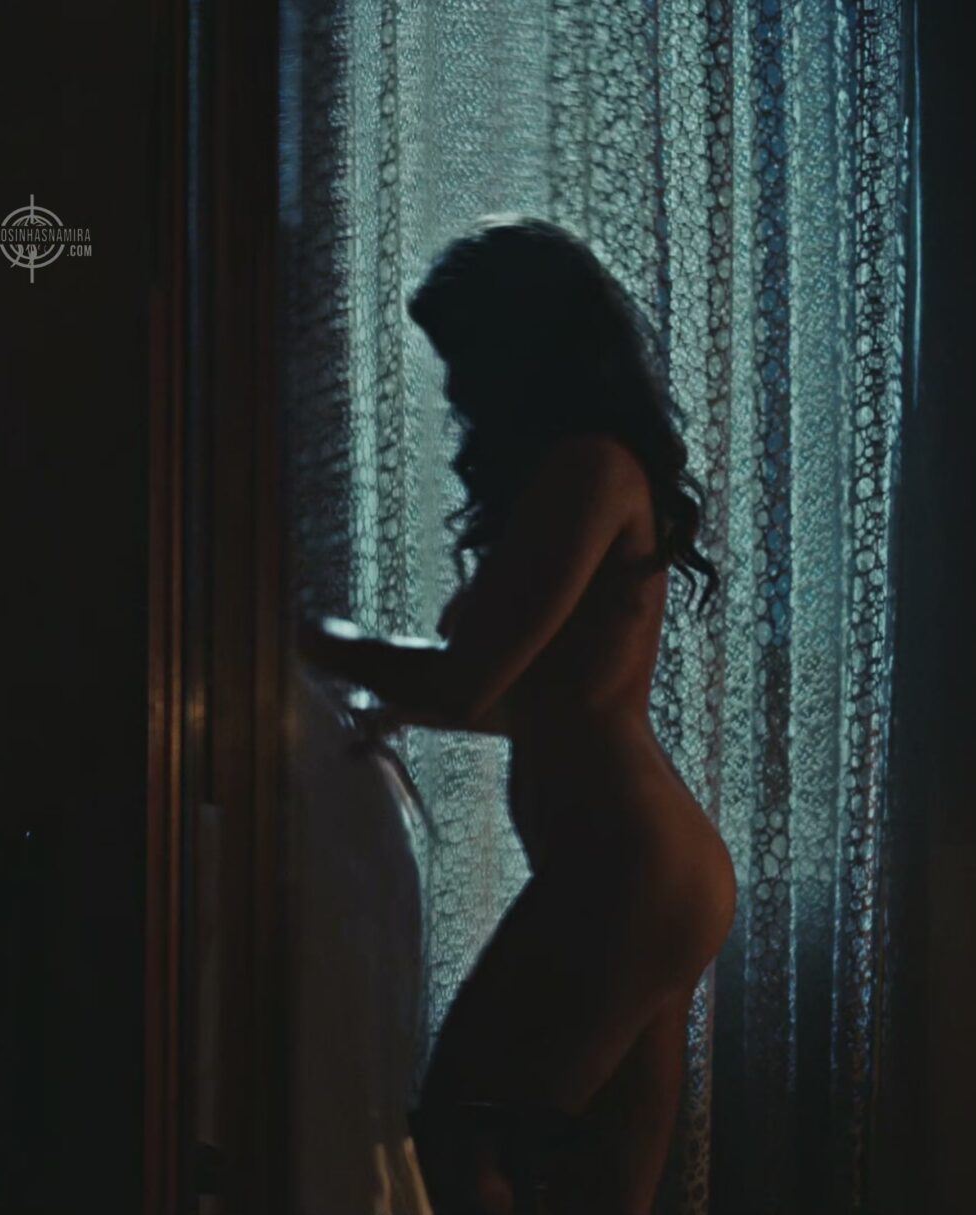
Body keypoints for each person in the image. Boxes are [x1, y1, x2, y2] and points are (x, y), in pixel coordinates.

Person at [297, 216, 738, 1215]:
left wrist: (308, 636)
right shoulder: (589, 471)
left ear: (522, 348)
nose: (455, 389)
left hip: (627, 872)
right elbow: (529, 701)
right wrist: (396, 702)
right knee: (602, 1191)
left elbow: (466, 680)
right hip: (646, 872)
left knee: (461, 1129)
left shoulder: (591, 468)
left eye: (465, 356)